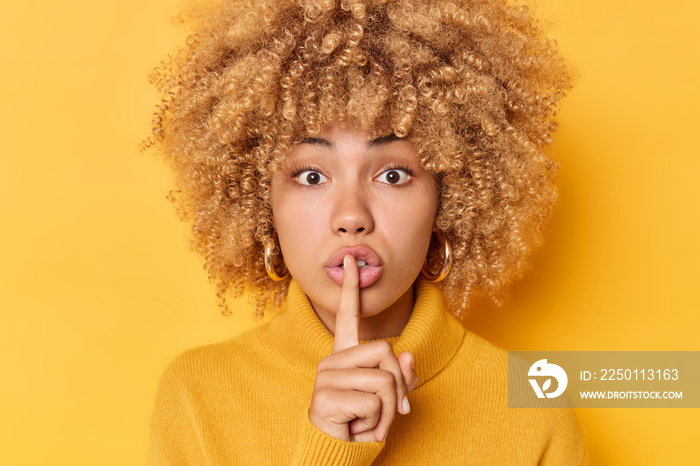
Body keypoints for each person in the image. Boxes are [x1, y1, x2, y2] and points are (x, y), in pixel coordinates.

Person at [145, 0, 588, 464]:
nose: (352, 216)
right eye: (312, 176)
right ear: (262, 202)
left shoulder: (537, 414)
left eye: (393, 175)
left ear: (448, 197)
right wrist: (331, 451)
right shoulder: (198, 394)